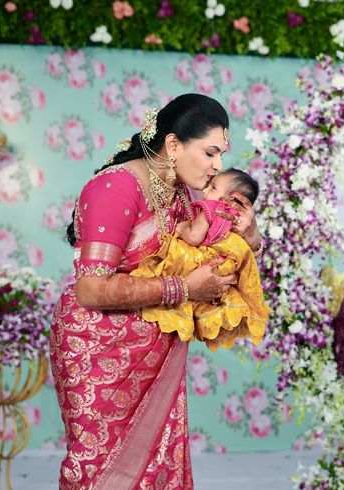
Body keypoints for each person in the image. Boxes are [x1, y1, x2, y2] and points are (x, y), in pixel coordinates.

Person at [48, 94, 263, 490]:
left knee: (156, 471)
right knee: (99, 471)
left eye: (221, 155)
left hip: (157, 351)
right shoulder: (115, 188)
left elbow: (222, 246)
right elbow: (91, 289)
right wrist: (184, 286)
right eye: (210, 152)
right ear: (174, 145)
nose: (218, 166)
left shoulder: (186, 192)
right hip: (99, 351)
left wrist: (251, 235)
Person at [131, 168, 270, 352]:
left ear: (230, 199)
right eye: (210, 153)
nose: (205, 191)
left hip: (202, 262)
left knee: (171, 260)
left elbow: (195, 237)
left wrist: (181, 230)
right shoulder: (234, 219)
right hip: (225, 265)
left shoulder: (210, 209)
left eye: (212, 188)